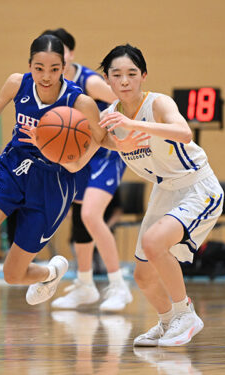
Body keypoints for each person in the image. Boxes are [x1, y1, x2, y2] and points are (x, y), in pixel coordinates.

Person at [0, 34, 147, 351]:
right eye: (39, 67)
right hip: (13, 168)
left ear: (64, 67)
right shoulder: (17, 83)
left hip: (53, 182)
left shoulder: (80, 101)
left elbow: (100, 138)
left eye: (54, 69)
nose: (46, 76)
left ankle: (50, 272)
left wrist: (126, 144)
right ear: (29, 64)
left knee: (12, 274)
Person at [99, 44, 223, 347]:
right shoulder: (109, 118)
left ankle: (186, 314)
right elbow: (82, 152)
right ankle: (168, 322)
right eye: (117, 75)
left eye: (131, 73)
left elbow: (184, 133)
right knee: (142, 275)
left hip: (197, 185)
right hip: (164, 190)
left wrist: (133, 124)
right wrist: (45, 143)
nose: (125, 81)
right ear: (108, 80)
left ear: (143, 76)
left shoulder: (158, 103)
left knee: (155, 243)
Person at [41, 28, 132, 312]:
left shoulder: (89, 81)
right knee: (80, 219)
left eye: (60, 51)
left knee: (91, 215)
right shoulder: (49, 84)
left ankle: (119, 286)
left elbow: (126, 101)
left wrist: (106, 121)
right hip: (78, 157)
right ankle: (84, 285)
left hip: (107, 153)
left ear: (70, 53)